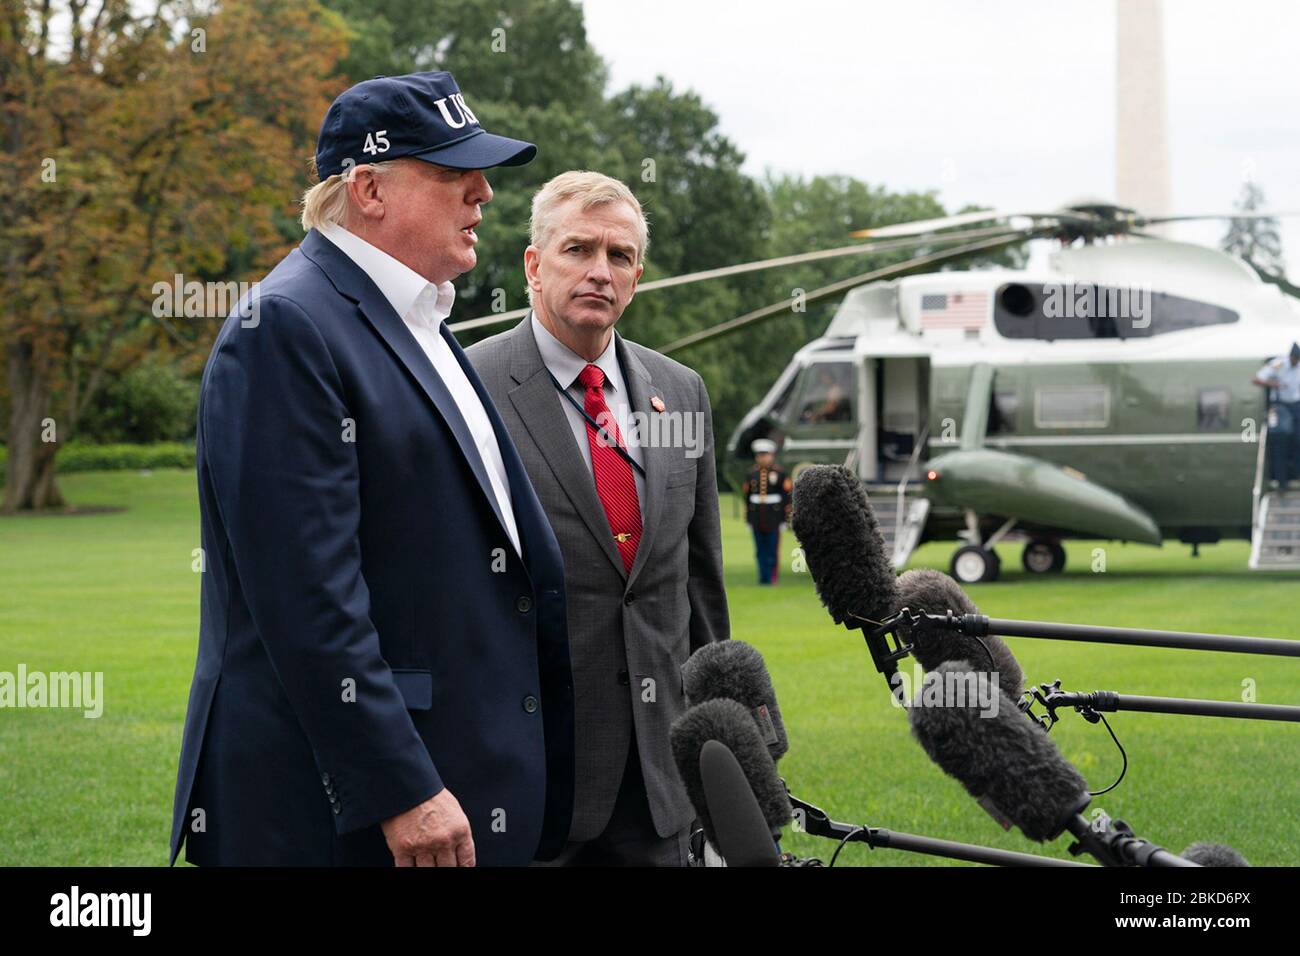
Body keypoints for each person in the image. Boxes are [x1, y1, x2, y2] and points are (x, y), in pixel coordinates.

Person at [170, 71, 574, 867]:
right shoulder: (285, 327)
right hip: (345, 815)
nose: (484, 194)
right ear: (368, 190)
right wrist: (399, 787)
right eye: (455, 175)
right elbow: (308, 598)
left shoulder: (418, 318)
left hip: (447, 782)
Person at [466, 170, 729, 866]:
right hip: (528, 784)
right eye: (577, 250)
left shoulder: (681, 392)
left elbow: (698, 589)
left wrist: (717, 748)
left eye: (619, 257)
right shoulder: (468, 388)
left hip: (661, 787)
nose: (599, 272)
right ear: (533, 265)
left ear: (637, 276)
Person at [742, 439, 791, 585]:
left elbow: (786, 497)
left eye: (765, 454)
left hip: (774, 517)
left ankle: (772, 577)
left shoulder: (780, 474)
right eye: (760, 455)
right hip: (757, 517)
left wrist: (784, 519)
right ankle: (763, 577)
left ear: (772, 456)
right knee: (759, 550)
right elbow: (747, 498)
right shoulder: (751, 474)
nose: (763, 458)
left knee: (772, 550)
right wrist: (748, 519)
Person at [1252, 342, 1300, 491]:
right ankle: (1281, 481)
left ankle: (1296, 476)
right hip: (1280, 406)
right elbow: (1257, 379)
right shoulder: (1279, 364)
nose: (1295, 362)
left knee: (1298, 441)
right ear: (1290, 356)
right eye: (1294, 358)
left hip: (1296, 406)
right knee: (1281, 440)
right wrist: (1274, 384)